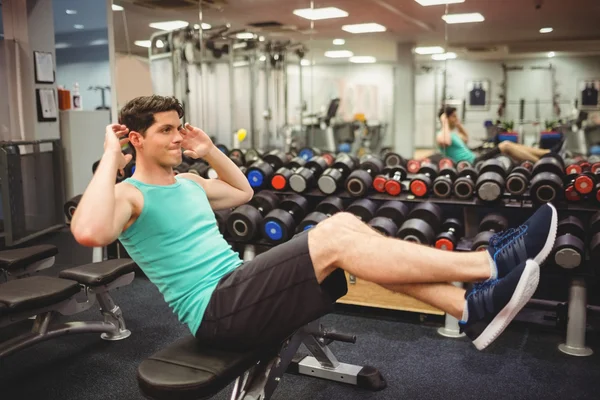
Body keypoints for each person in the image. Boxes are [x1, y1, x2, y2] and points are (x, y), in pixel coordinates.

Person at [71, 95, 557, 353]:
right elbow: (90, 233)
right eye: (167, 130)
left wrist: (210, 150)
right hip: (217, 312)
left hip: (240, 290)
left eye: (180, 126)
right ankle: (487, 264)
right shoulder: (129, 195)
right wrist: (111, 156)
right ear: (137, 138)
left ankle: (468, 308)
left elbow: (241, 191)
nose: (178, 137)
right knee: (334, 231)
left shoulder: (191, 184)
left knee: (351, 233)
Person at [437, 106, 550, 165]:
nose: (456, 118)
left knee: (510, 144)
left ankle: (547, 153)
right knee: (505, 146)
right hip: (471, 164)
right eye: (454, 116)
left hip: (475, 159)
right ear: (445, 118)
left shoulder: (454, 134)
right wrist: (444, 122)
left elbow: (466, 138)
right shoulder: (440, 135)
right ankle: (541, 163)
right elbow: (446, 142)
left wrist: (458, 125)